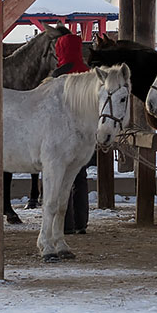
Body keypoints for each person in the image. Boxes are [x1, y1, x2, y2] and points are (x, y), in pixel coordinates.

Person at [52, 31, 91, 235]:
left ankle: (65, 224)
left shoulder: (59, 76)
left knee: (60, 180)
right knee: (79, 178)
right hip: (84, 136)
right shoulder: (88, 74)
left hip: (61, 135)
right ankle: (81, 222)